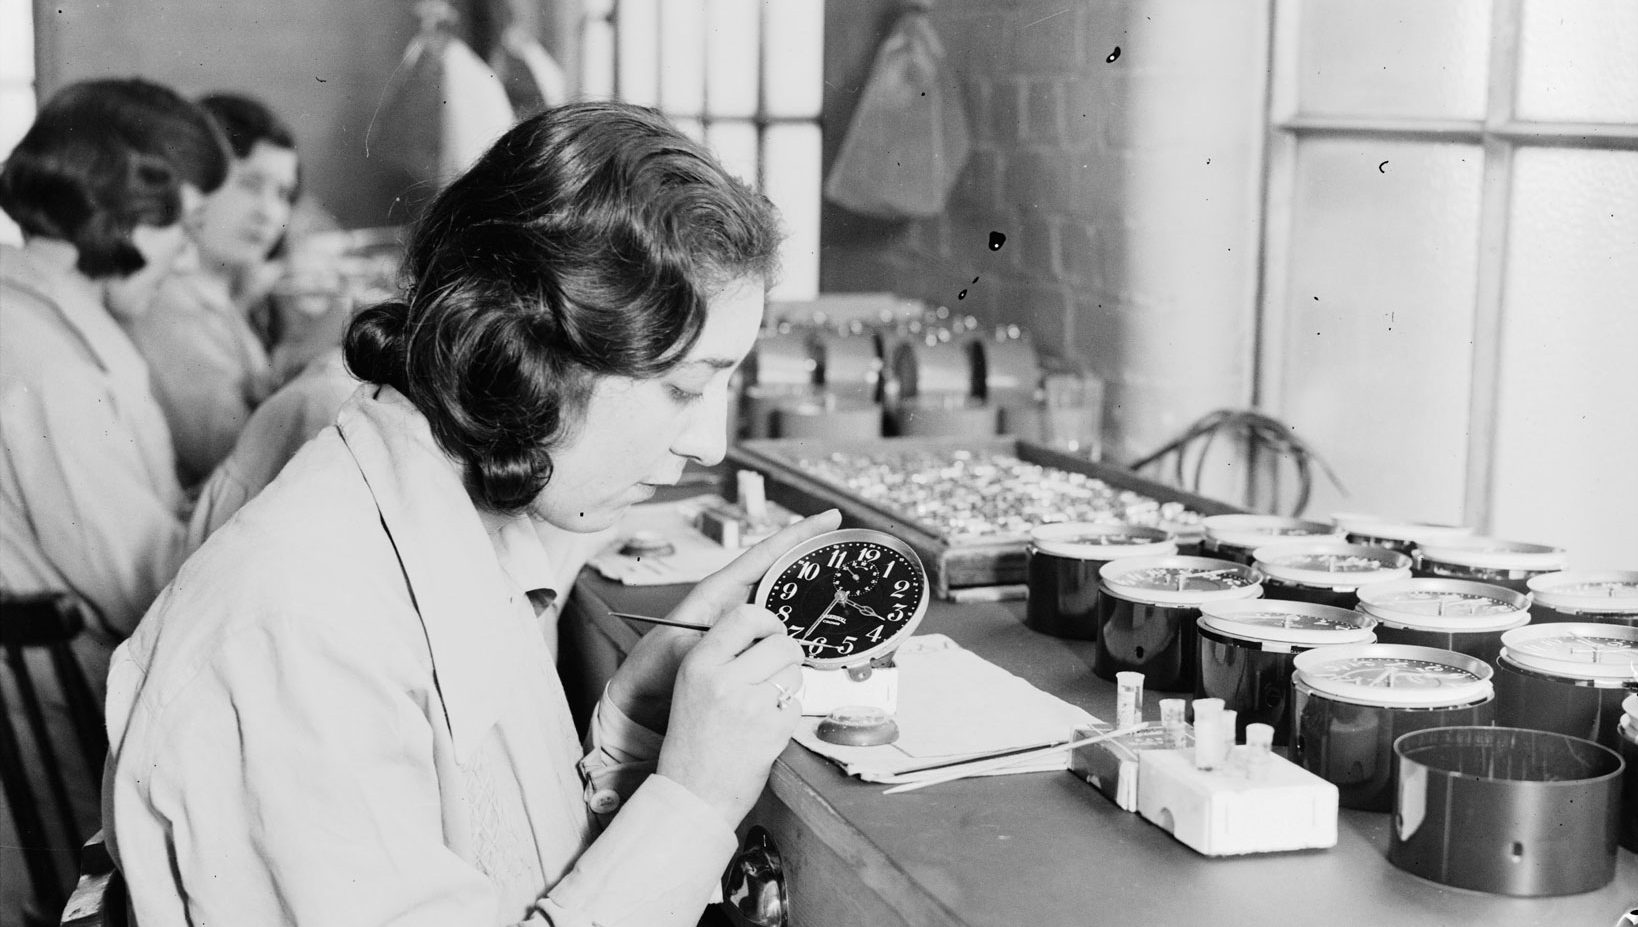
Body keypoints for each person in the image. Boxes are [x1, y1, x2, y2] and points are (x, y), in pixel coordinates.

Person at [104, 100, 835, 926]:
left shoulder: (439, 523)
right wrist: (695, 798)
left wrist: (632, 735)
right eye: (688, 387)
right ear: (527, 351)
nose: (709, 444)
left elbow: (501, 862)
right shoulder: (302, 631)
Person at [0, 77, 229, 639]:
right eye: (187, 227)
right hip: (73, 702)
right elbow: (150, 594)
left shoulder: (23, 304)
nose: (183, 262)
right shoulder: (56, 371)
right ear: (129, 212)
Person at [123, 91, 301, 487]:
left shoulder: (214, 291)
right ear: (194, 183)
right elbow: (237, 457)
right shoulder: (166, 302)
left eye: (283, 194)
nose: (269, 213)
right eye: (251, 184)